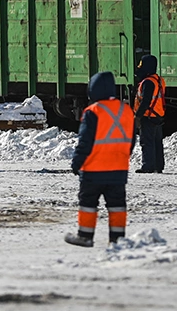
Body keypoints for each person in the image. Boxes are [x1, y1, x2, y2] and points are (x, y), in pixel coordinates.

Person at [66, 71, 136, 247]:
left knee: (88, 204)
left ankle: (85, 236)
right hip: (118, 171)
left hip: (93, 170)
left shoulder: (93, 112)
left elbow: (85, 142)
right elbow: (132, 139)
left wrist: (76, 163)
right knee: (117, 206)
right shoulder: (126, 110)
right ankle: (117, 239)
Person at [133, 54, 166, 173]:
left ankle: (148, 166)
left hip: (148, 116)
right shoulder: (159, 80)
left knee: (147, 142)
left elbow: (146, 101)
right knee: (157, 142)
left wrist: (138, 116)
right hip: (158, 115)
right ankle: (158, 165)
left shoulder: (147, 82)